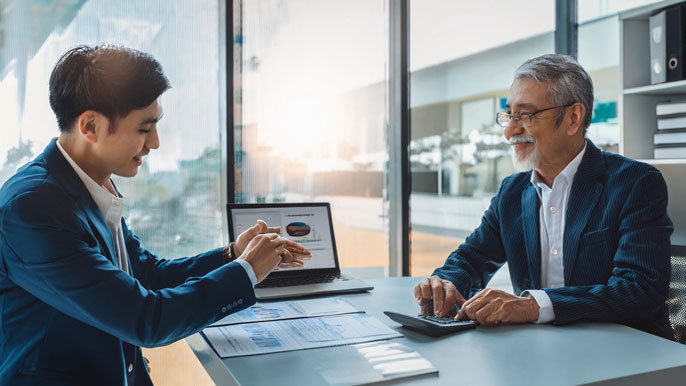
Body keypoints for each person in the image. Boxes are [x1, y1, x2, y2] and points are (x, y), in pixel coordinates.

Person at [0, 45, 310, 385]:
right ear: (90, 125)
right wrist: (246, 270)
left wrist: (232, 253)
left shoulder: (91, 182)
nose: (156, 143)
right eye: (145, 128)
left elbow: (145, 275)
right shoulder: (30, 208)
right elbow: (145, 319)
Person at [414, 54, 674, 340]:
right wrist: (445, 283)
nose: (511, 131)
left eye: (525, 115)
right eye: (510, 116)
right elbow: (472, 258)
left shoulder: (635, 184)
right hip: (543, 350)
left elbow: (639, 289)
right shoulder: (511, 192)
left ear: (573, 118)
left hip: (629, 353)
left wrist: (533, 305)